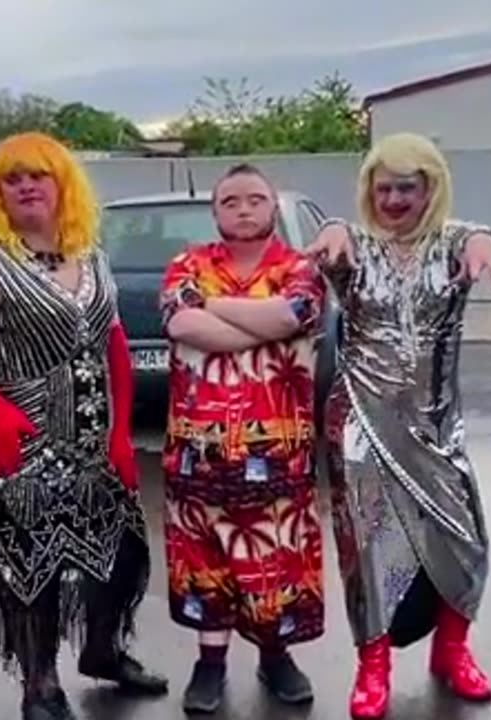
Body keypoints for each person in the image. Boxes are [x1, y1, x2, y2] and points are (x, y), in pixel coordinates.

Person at [0, 131, 167, 720]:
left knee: (121, 555)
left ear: (62, 185)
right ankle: (40, 686)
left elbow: (114, 344)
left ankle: (103, 650)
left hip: (95, 442)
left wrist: (122, 432)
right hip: (20, 443)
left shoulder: (90, 254)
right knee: (32, 567)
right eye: (12, 178)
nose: (26, 186)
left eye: (38, 175)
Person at [307, 133, 491, 719]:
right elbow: (334, 241)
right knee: (368, 552)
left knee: (465, 542)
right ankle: (373, 667)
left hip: (437, 426)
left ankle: (452, 652)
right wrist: (337, 232)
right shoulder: (356, 245)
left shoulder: (452, 243)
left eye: (408, 187)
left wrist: (482, 240)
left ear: (431, 189)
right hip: (362, 425)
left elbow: (479, 236)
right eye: (385, 186)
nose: (394, 198)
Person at [159, 163, 328, 714]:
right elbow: (180, 324)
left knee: (275, 559)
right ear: (215, 212)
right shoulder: (189, 263)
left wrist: (213, 308)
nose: (244, 209)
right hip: (197, 451)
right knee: (203, 559)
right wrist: (264, 323)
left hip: (277, 450)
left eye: (255, 199)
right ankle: (209, 665)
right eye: (230, 201)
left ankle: (275, 657)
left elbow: (296, 312)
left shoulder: (298, 266)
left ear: (272, 206)